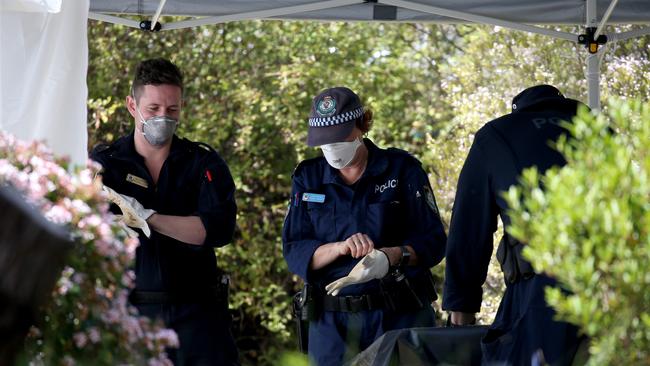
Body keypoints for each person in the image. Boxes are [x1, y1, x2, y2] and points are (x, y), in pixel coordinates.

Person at [282, 87, 447, 365]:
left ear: (361, 126)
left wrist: (392, 256)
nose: (332, 148)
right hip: (332, 324)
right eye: (325, 141)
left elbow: (434, 241)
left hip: (398, 315)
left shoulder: (402, 169)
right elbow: (294, 248)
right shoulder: (307, 179)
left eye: (340, 138)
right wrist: (339, 248)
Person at [90, 58, 238, 365]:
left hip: (199, 317)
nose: (163, 118)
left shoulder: (203, 163)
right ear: (132, 105)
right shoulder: (107, 163)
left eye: (172, 110)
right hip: (132, 316)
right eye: (153, 109)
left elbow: (216, 230)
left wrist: (146, 218)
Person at [443, 85, 588, 365]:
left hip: (540, 293)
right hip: (610, 283)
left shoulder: (496, 135)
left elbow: (470, 229)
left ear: (518, 109)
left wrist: (462, 306)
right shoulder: (598, 128)